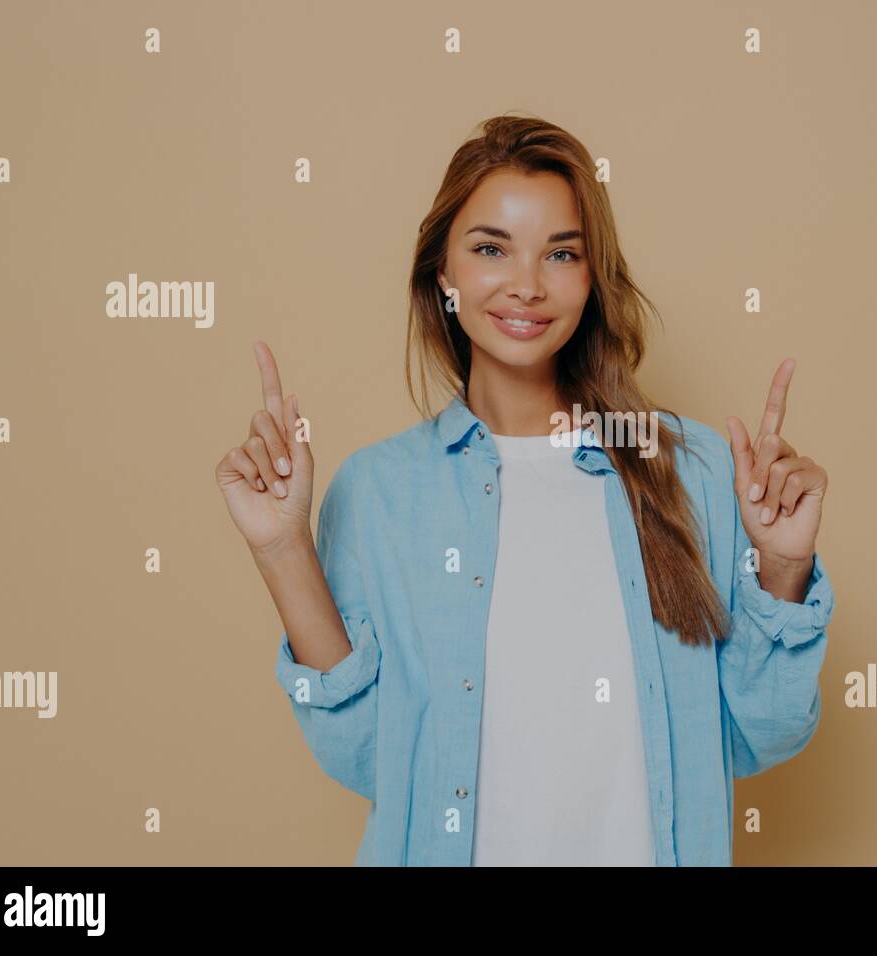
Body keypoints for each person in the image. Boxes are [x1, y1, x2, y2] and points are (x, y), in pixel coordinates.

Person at [214, 114, 835, 866]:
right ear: (443, 274)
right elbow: (371, 758)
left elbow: (759, 735)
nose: (527, 286)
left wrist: (782, 566)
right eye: (490, 249)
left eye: (562, 253)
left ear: (590, 276)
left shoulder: (692, 471)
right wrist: (283, 548)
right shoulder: (379, 492)